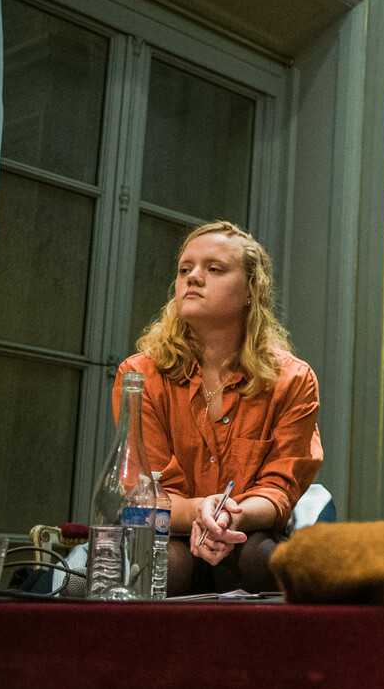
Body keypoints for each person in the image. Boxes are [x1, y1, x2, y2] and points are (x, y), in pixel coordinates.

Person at [115, 220, 322, 595]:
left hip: (245, 528)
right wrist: (198, 511)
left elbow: (278, 491)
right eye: (185, 269)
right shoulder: (139, 375)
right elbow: (145, 494)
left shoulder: (293, 380)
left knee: (261, 559)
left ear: (251, 290)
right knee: (167, 564)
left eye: (214, 269)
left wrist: (226, 517)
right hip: (166, 528)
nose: (193, 277)